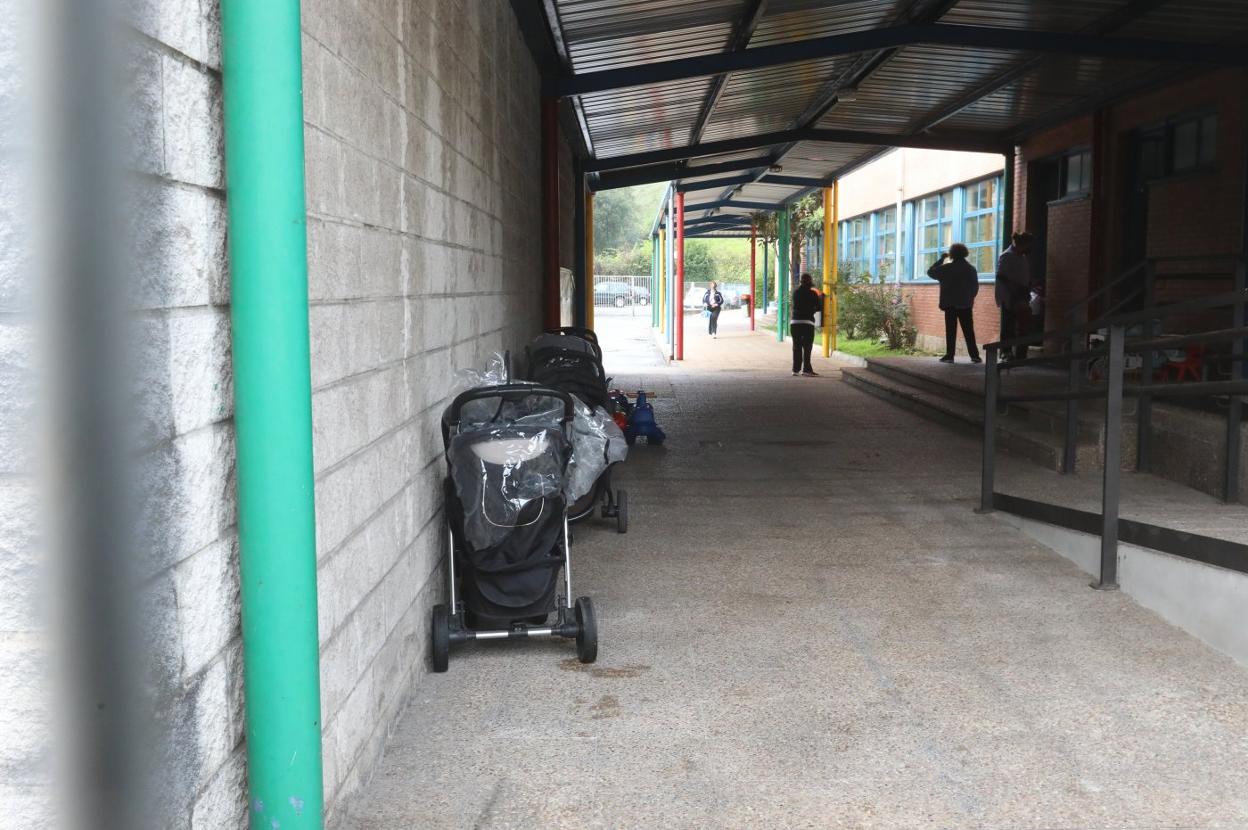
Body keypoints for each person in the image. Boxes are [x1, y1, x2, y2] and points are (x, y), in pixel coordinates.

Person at [926, 243, 981, 364]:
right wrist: (969, 298)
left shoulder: (946, 269)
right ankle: (975, 355)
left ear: (952, 254)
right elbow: (975, 287)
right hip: (965, 304)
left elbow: (930, 272)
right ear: (965, 253)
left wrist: (942, 259)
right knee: (969, 330)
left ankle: (950, 355)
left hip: (949, 304)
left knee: (950, 330)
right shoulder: (971, 269)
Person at [995, 231, 1034, 360]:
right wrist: (1016, 289)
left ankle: (1021, 354)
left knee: (1023, 324)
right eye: (1028, 245)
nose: (1029, 248)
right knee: (1009, 325)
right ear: (1022, 244)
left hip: (1022, 294)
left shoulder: (1022, 256)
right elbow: (1001, 276)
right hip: (1011, 295)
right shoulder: (1007, 256)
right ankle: (1006, 352)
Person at [790, 272, 822, 376]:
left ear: (801, 282)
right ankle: (807, 370)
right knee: (807, 347)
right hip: (807, 323)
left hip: (795, 323)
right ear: (810, 282)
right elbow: (819, 307)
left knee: (796, 346)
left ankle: (795, 370)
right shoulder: (812, 293)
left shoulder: (796, 293)